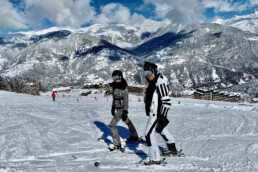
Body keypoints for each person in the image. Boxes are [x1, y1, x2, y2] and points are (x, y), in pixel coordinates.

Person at [143, 61, 178, 165]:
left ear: (154, 71)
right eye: (145, 73)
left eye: (150, 72)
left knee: (148, 134)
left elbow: (166, 101)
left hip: (156, 114)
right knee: (161, 129)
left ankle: (155, 158)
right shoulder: (154, 81)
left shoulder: (160, 81)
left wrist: (163, 116)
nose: (148, 75)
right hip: (154, 112)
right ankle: (172, 148)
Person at [109, 70, 138, 151]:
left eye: (118, 77)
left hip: (122, 107)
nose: (116, 79)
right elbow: (114, 98)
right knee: (126, 121)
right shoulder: (114, 85)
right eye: (114, 77)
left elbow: (126, 99)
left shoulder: (124, 86)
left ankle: (117, 143)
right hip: (117, 107)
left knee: (112, 124)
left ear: (121, 77)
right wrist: (112, 107)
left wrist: (125, 110)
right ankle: (134, 136)